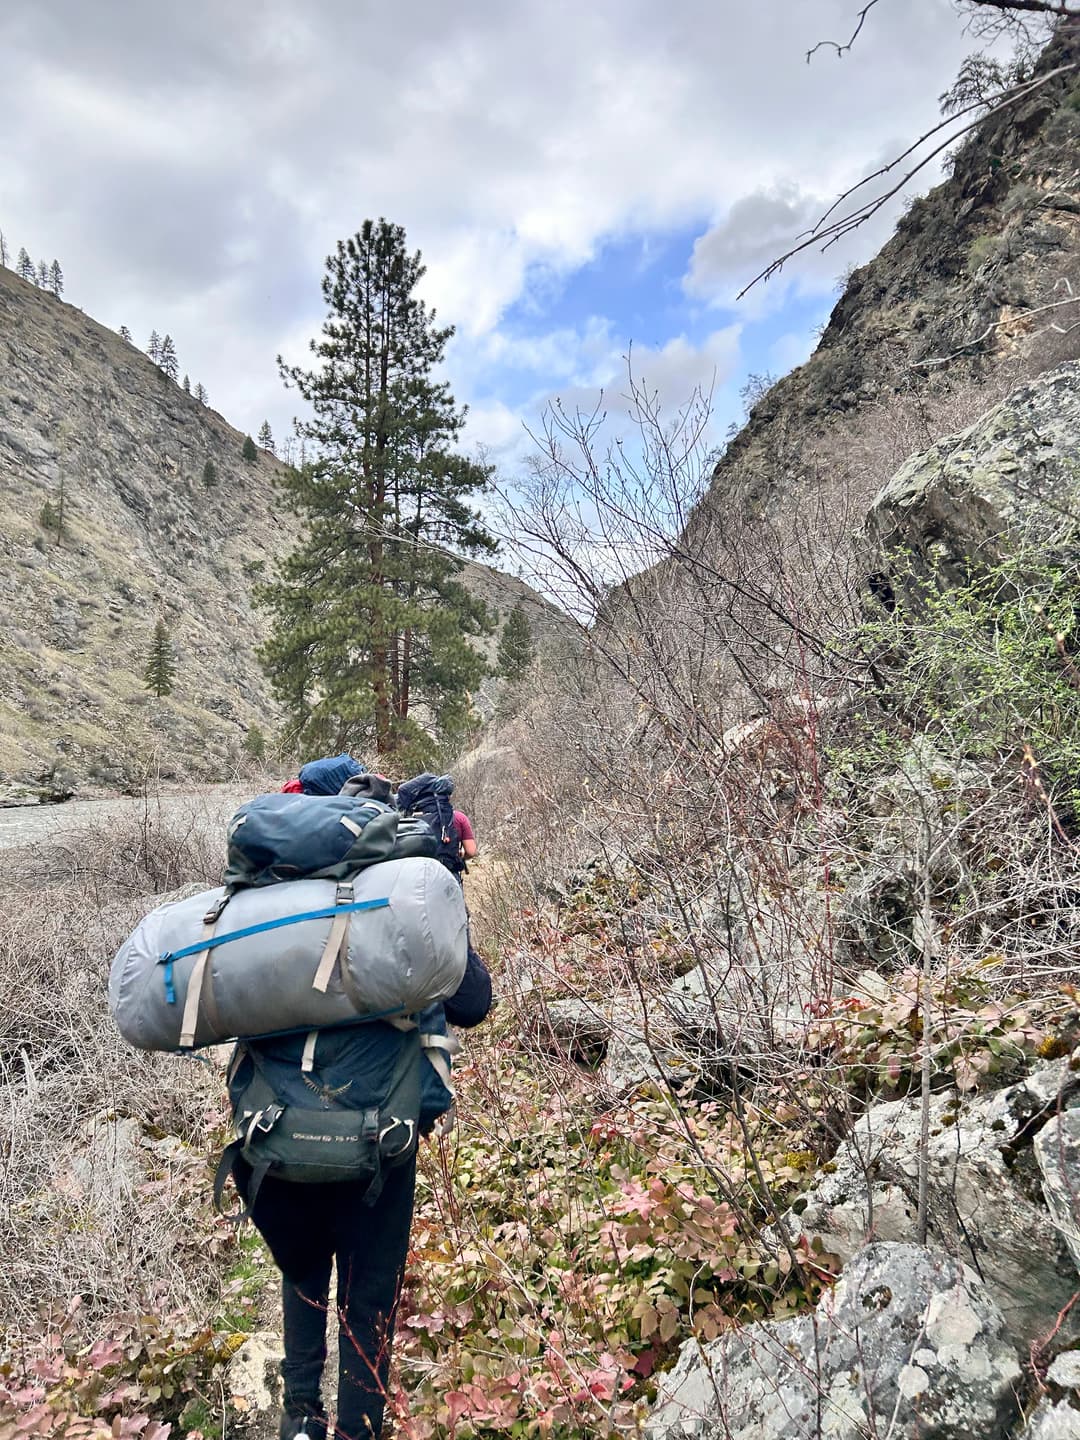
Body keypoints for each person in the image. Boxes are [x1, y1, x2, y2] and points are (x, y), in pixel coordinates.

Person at [234, 944, 493, 1440]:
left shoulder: (276, 880)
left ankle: (302, 1417)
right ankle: (359, 1430)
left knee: (303, 1264)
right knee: (369, 1300)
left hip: (279, 1124)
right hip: (383, 1135)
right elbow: (472, 1001)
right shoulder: (407, 884)